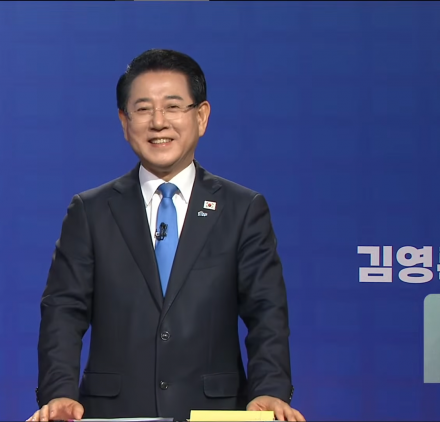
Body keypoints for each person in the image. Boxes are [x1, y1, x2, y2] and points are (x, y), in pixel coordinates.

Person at [27, 49, 304, 422]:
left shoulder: (242, 209)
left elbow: (266, 311)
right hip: (115, 412)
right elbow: (63, 310)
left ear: (201, 117)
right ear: (124, 122)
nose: (158, 122)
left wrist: (269, 389)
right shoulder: (90, 211)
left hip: (214, 410)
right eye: (143, 109)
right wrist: (59, 392)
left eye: (173, 107)